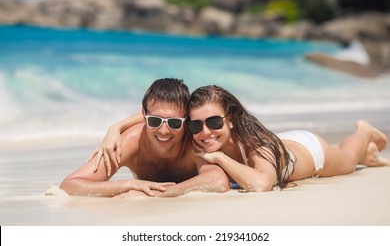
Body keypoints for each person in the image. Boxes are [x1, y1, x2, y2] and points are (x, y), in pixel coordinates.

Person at [97, 84, 389, 192]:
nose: (205, 132)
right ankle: (370, 151)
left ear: (231, 119)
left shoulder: (255, 141)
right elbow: (162, 117)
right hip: (281, 146)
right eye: (196, 126)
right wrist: (116, 127)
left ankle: (362, 131)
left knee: (350, 161)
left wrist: (221, 157)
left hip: (310, 153)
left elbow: (261, 184)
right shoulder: (190, 129)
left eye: (214, 122)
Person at [60, 79, 229, 197]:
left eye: (174, 123)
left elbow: (219, 181)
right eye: (155, 121)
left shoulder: (193, 140)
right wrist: (127, 185)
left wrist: (156, 194)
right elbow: (70, 186)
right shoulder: (130, 142)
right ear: (143, 115)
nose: (164, 130)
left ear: (186, 121)